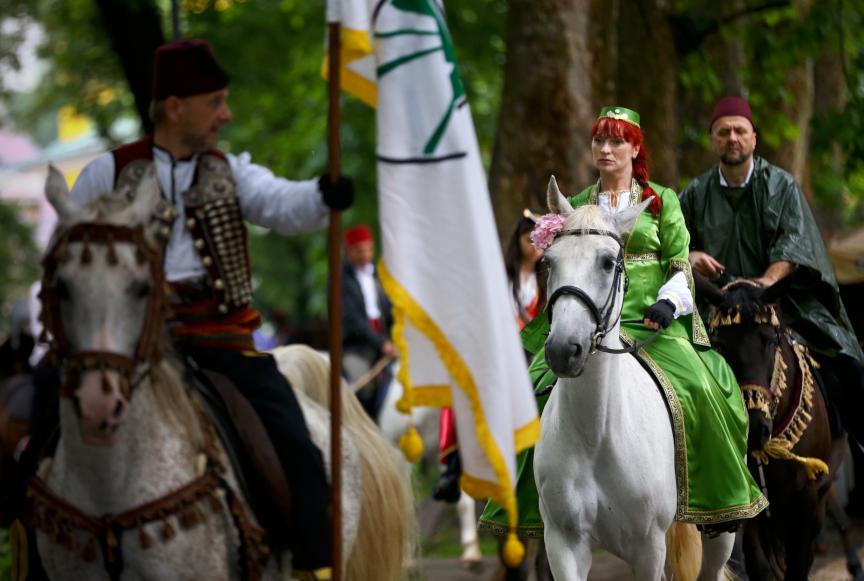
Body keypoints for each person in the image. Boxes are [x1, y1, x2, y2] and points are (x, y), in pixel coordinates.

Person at [62, 39, 352, 581]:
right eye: (215, 101)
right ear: (176, 107)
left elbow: (281, 203)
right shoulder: (106, 173)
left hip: (221, 342)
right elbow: (70, 256)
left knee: (294, 440)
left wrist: (324, 194)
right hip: (123, 343)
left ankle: (312, 562)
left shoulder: (230, 171)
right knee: (35, 427)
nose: (226, 113)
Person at [480, 106, 767, 538]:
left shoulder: (662, 200)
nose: (606, 148)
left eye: (616, 140)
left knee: (707, 387)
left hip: (654, 323)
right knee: (532, 389)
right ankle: (523, 501)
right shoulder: (576, 205)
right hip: (590, 324)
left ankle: (718, 500)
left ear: (635, 147)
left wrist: (670, 304)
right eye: (599, 140)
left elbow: (679, 262)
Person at [678, 96, 864, 448]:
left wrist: (765, 282)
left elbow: (794, 243)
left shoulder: (782, 186)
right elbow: (672, 244)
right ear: (713, 139)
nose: (732, 138)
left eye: (739, 131)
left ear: (753, 138)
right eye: (724, 132)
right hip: (715, 309)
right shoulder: (694, 194)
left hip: (779, 300)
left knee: (849, 367)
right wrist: (691, 254)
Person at [433, 213, 548, 503]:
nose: (534, 248)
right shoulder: (498, 274)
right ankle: (453, 466)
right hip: (500, 351)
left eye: (539, 242)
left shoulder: (549, 277)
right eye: (528, 241)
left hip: (538, 353)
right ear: (517, 241)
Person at [341, 224, 396, 418]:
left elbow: (388, 311)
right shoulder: (340, 280)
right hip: (356, 348)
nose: (365, 254)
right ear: (348, 251)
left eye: (368, 249)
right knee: (364, 388)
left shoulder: (379, 277)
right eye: (359, 250)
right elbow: (352, 320)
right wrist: (382, 344)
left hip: (384, 345)